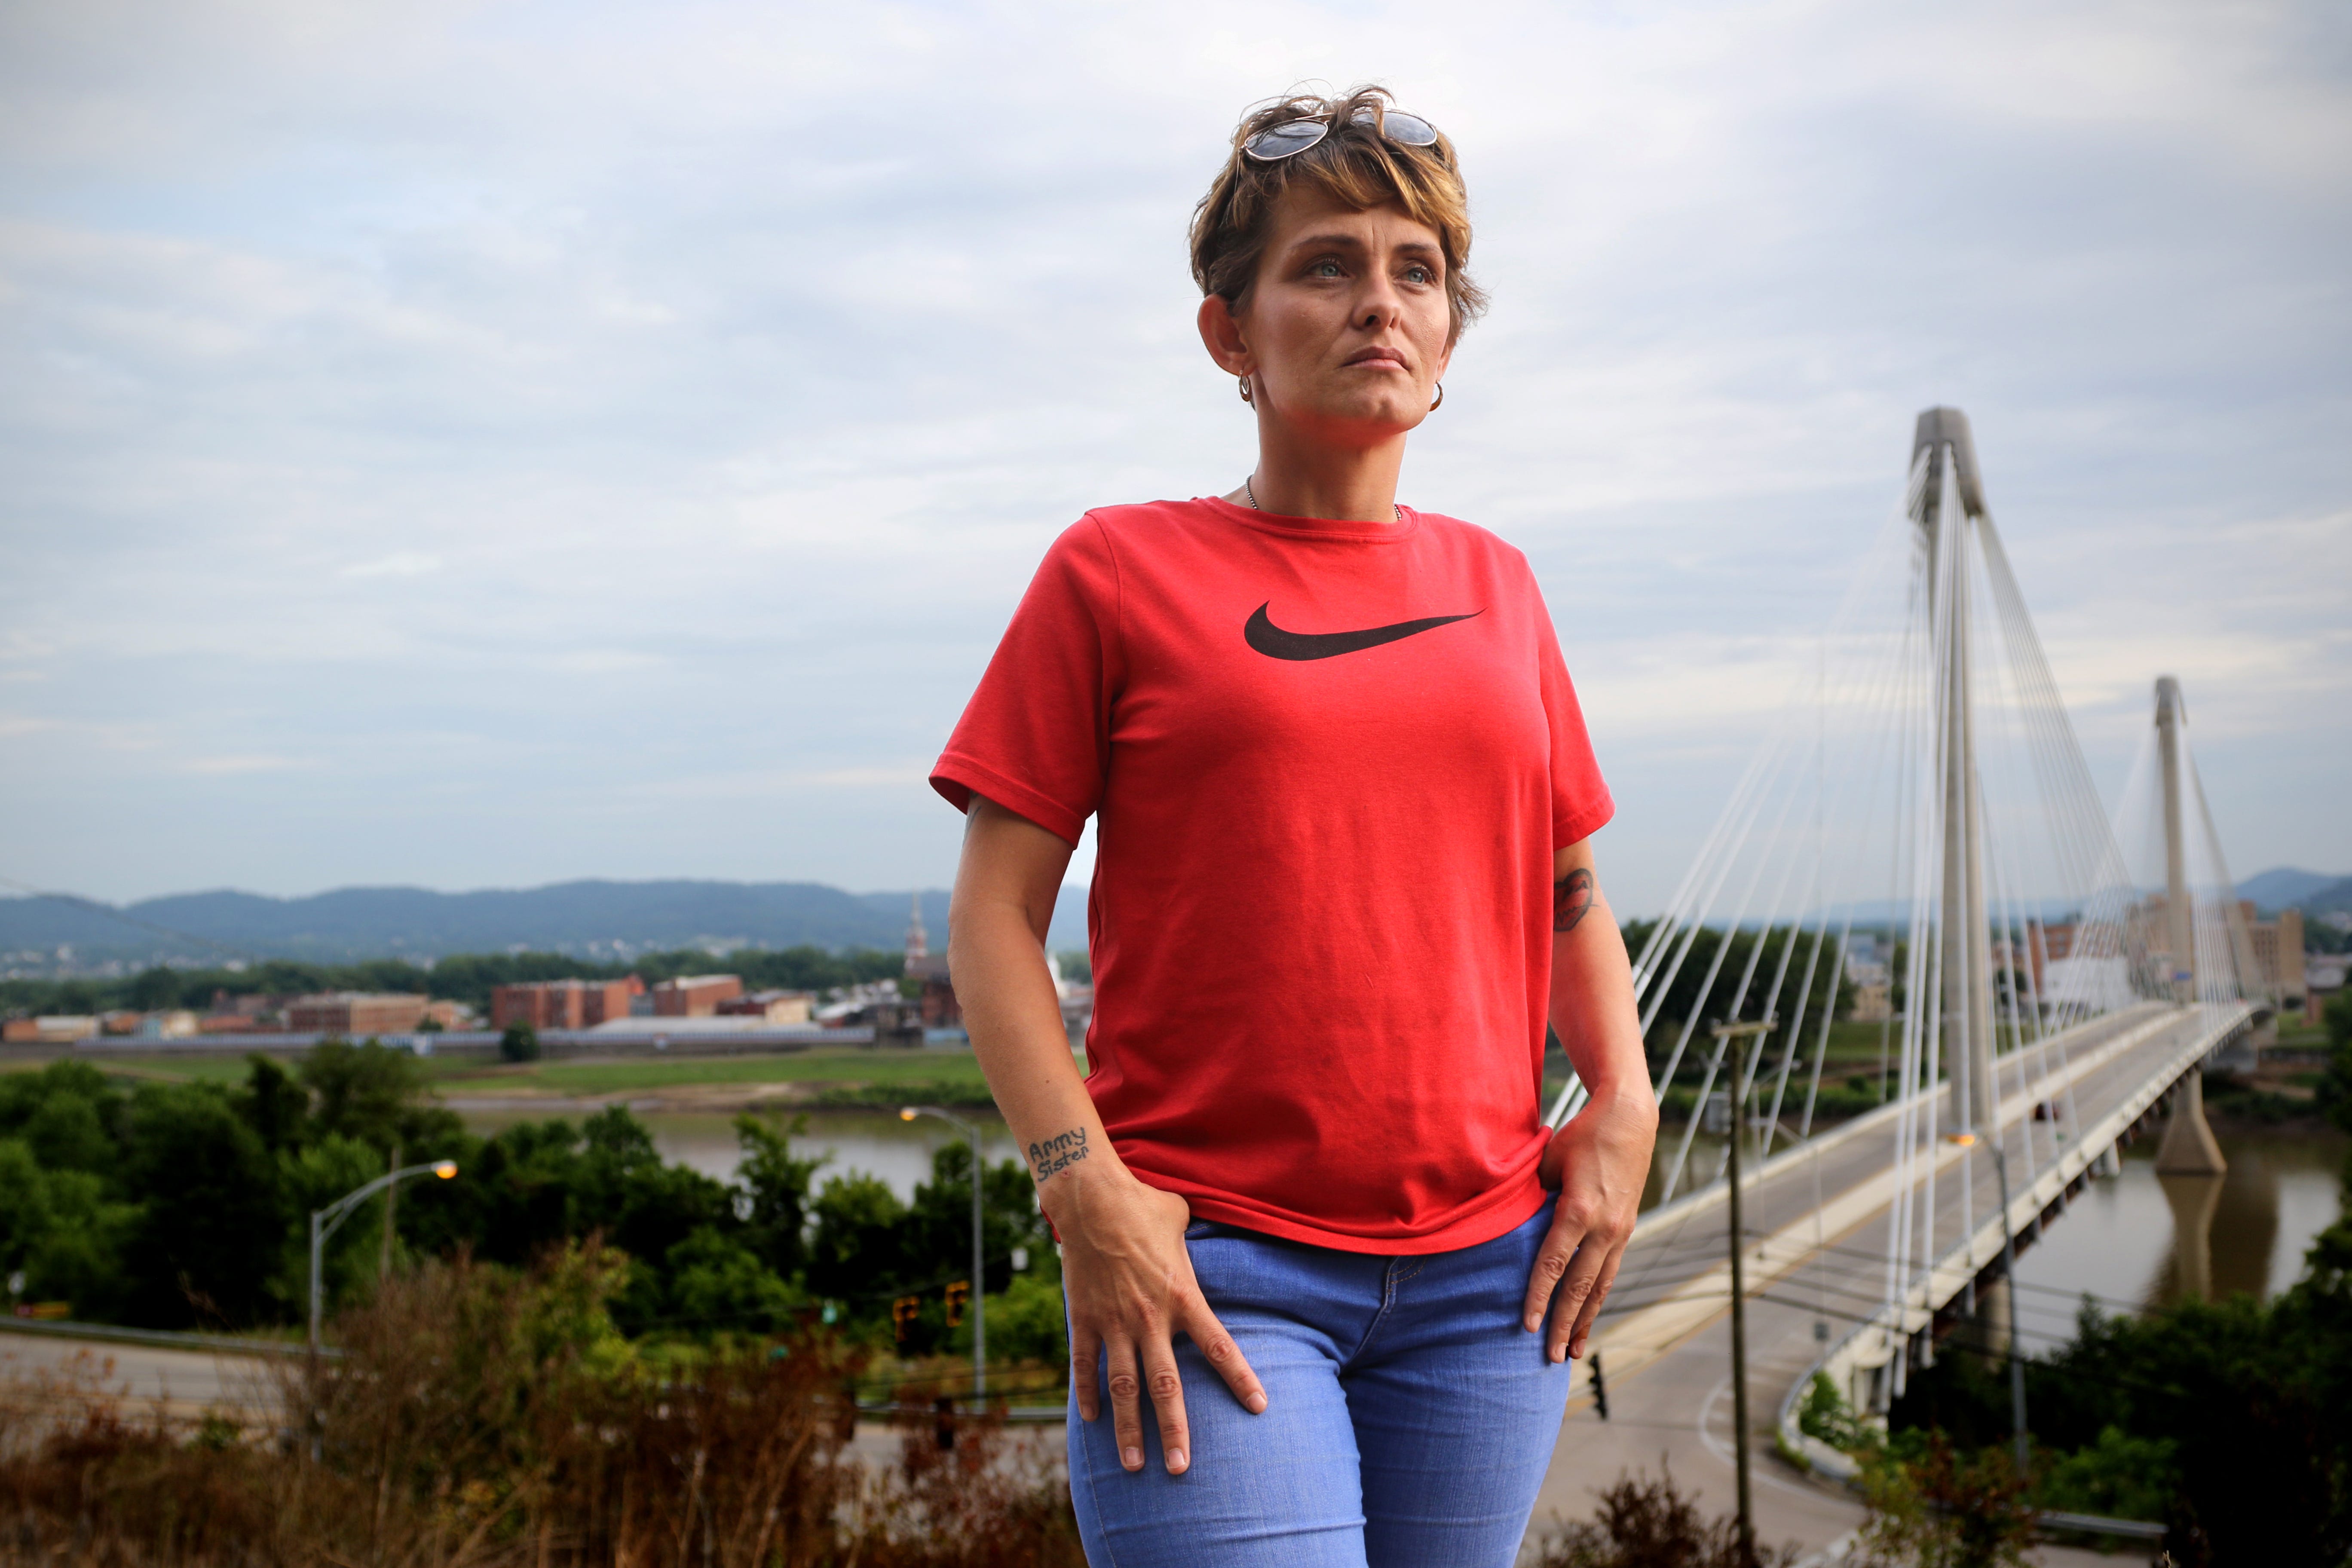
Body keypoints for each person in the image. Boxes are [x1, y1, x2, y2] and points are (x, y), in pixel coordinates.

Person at [930, 86, 1658, 1568]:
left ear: (1451, 333)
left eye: (1416, 270)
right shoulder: (1118, 567)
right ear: (1231, 332)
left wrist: (1627, 1106)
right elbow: (993, 916)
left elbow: (1565, 885)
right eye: (1325, 264)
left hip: (1488, 1282)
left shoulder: (1501, 585)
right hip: (1211, 1267)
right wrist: (1083, 1189)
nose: (1378, 302)